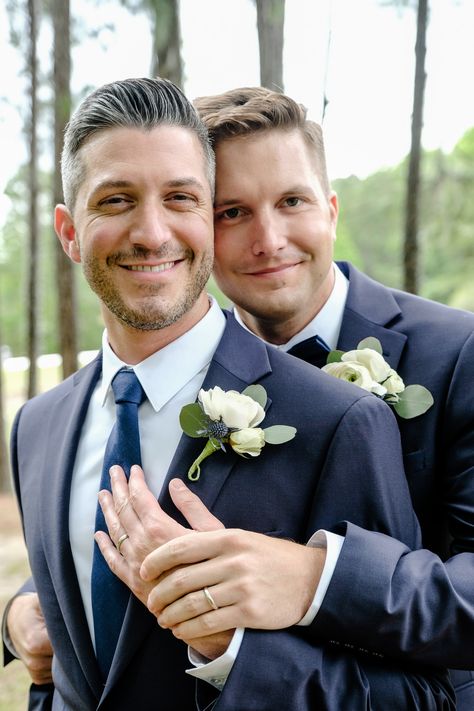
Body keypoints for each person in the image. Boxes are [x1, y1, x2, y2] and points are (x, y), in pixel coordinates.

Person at [1, 77, 454, 710]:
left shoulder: (339, 420)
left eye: (181, 198)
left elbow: (418, 697)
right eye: (115, 201)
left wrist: (230, 651)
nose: (152, 233)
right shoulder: (37, 426)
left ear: (206, 223)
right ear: (69, 232)